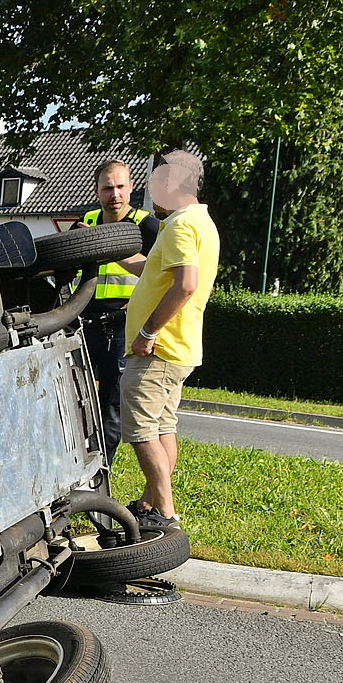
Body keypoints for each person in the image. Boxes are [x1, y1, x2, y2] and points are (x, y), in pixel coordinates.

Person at [121, 149, 219, 530]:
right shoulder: (200, 222)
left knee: (142, 430)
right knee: (163, 428)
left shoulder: (180, 225)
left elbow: (186, 285)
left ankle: (164, 512)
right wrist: (105, 248)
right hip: (179, 348)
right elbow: (153, 269)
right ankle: (150, 504)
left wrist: (148, 331)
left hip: (158, 350)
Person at [73, 160, 159, 476]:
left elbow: (162, 275)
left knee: (111, 403)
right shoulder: (85, 222)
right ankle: (74, 464)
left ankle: (100, 472)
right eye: (108, 188)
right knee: (73, 398)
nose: (115, 194)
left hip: (124, 326)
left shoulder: (147, 227)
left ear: (131, 187)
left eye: (121, 187)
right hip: (83, 322)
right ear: (97, 191)